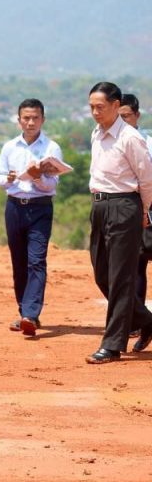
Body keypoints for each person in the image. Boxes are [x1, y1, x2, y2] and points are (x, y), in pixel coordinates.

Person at [87, 82, 152, 363]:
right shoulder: (96, 133)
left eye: (100, 107)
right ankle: (147, 320)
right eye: (91, 107)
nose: (95, 112)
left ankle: (112, 345)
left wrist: (144, 212)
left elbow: (147, 180)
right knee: (102, 273)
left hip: (125, 206)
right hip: (99, 206)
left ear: (116, 105)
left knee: (121, 277)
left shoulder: (130, 138)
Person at [0, 99, 64, 337]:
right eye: (26, 118)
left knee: (36, 260)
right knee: (19, 261)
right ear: (19, 120)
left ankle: (31, 315)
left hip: (40, 208)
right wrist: (8, 179)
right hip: (14, 207)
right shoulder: (9, 147)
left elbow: (51, 185)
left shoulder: (52, 148)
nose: (31, 122)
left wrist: (37, 177)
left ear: (43, 120)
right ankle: (24, 311)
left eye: (35, 118)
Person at [119, 93, 152, 336]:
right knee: (136, 264)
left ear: (137, 115)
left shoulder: (148, 143)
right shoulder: (110, 141)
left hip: (148, 206)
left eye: (127, 116)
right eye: (118, 116)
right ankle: (138, 320)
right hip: (128, 208)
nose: (123, 121)